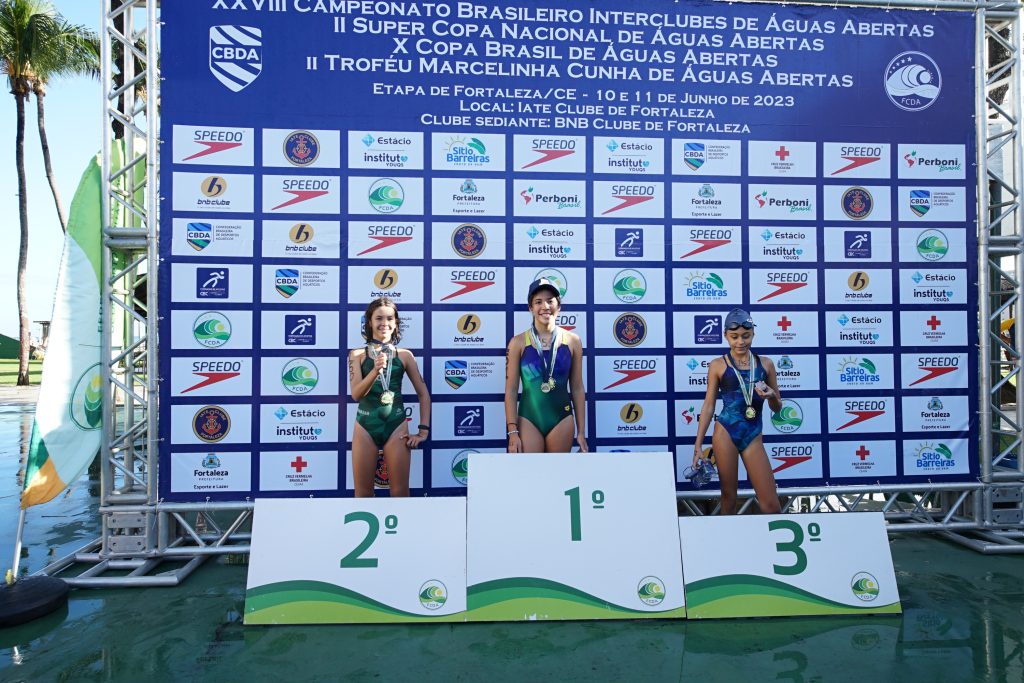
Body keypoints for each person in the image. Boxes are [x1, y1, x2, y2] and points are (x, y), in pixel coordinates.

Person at [692, 308, 782, 514]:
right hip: (726, 432)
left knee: (771, 504)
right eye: (734, 337)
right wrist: (698, 444)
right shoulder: (717, 365)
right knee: (729, 497)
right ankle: (725, 544)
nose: (740, 342)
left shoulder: (766, 364)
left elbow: (777, 409)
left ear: (753, 334)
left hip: (752, 434)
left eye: (746, 336)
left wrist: (772, 397)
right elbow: (708, 406)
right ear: (725, 336)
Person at [349, 297, 430, 497]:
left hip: (396, 426)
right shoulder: (357, 354)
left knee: (401, 492)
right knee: (363, 493)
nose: (384, 323)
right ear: (369, 322)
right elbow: (356, 394)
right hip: (365, 426)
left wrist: (423, 430)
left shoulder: (405, 355)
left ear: (396, 324)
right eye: (378, 318)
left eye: (389, 319)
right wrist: (375, 371)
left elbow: (423, 394)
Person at [505, 278, 588, 453]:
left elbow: (578, 387)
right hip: (529, 419)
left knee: (558, 476)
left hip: (561, 418)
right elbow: (511, 390)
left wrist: (581, 432)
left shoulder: (573, 341)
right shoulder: (518, 343)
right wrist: (513, 432)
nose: (545, 306)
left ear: (559, 306)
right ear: (530, 308)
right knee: (531, 476)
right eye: (538, 302)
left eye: (550, 301)